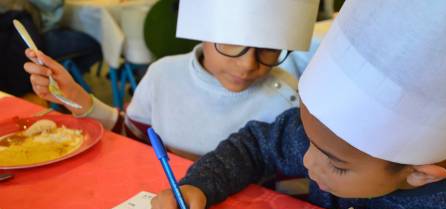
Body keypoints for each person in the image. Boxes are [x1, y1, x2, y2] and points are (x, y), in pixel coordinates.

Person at [151, 0, 446, 209]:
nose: (306, 161)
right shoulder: (330, 136)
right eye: (308, 141)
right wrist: (200, 185)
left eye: (335, 164)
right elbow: (255, 145)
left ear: (419, 173)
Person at [23, 0, 320, 159]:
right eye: (231, 43)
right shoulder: (163, 74)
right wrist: (78, 97)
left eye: (269, 49)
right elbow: (135, 136)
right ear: (202, 30)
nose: (247, 64)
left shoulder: (288, 98)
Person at [0, 0, 101, 97]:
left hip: (18, 33)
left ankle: (63, 84)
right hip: (32, 32)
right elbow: (52, 6)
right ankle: (62, 86)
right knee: (95, 45)